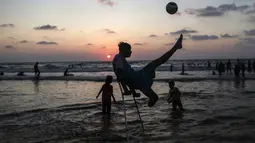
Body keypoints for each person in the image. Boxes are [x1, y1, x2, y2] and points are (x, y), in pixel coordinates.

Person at [112, 34, 183, 107]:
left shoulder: (121, 59)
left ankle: (149, 107)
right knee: (158, 61)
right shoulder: (119, 57)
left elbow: (126, 77)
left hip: (137, 81)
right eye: (129, 50)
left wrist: (133, 92)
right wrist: (125, 90)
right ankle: (176, 47)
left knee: (155, 97)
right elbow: (121, 74)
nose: (131, 52)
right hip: (139, 77)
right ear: (124, 50)